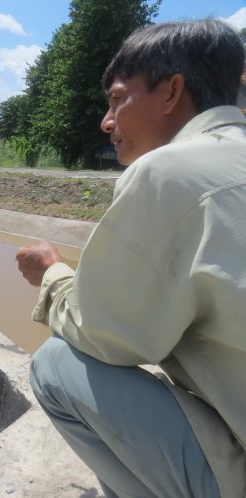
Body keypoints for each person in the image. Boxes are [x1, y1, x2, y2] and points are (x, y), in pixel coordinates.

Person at [15, 19, 246, 498]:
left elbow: (109, 336)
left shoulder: (167, 171)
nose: (107, 120)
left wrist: (52, 275)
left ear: (170, 92)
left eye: (118, 98)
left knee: (56, 365)